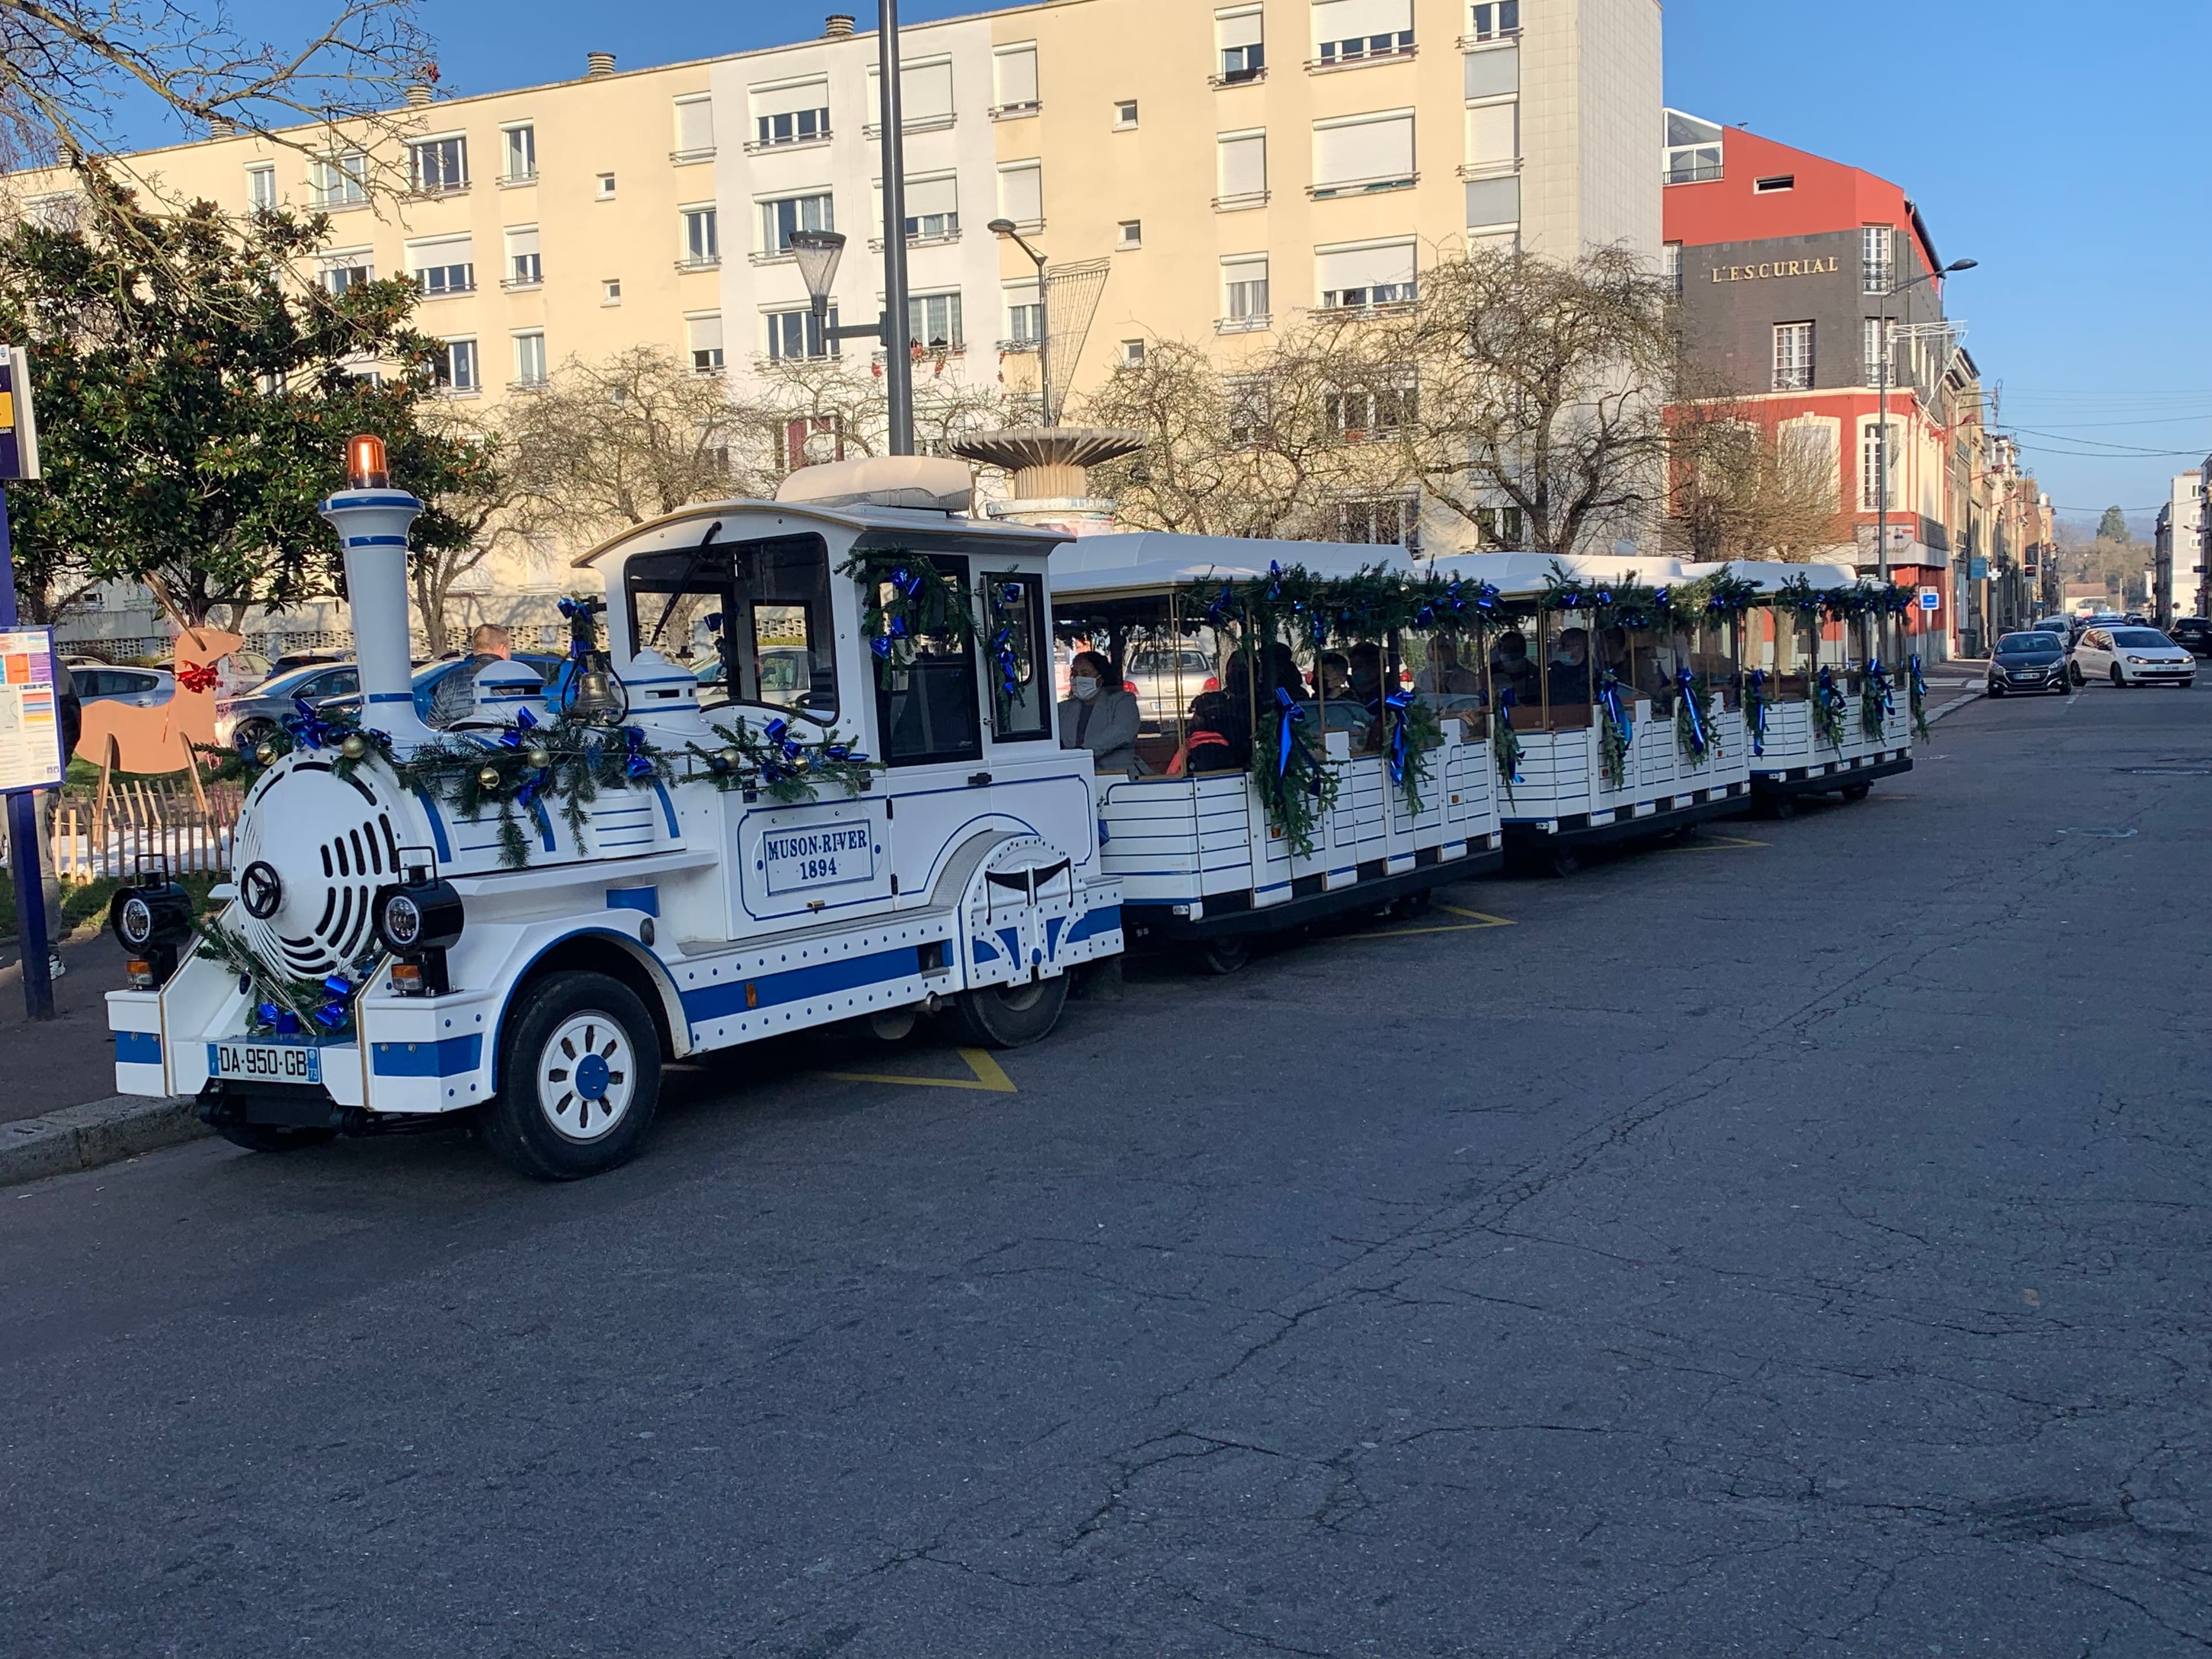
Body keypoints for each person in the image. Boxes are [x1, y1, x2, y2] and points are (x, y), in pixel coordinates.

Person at [1059, 649, 1143, 776]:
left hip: (1115, 777)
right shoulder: (1063, 709)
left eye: (1085, 674)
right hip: (1072, 776)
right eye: (1075, 674)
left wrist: (1081, 753)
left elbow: (1121, 731)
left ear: (1101, 677)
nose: (1079, 678)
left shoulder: (1123, 702)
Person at [429, 623, 514, 728]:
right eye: (509, 648)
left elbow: (433, 726)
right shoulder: (516, 677)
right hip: (503, 742)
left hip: (458, 742)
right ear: (503, 648)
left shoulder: (449, 680)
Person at [1415, 638, 1482, 697]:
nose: (1437, 662)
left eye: (1440, 658)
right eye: (1432, 659)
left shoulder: (1468, 677)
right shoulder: (1422, 678)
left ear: (1450, 653)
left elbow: (1472, 703)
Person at [1490, 631, 1539, 707]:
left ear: (1523, 651)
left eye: (1514, 649)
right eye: (1504, 649)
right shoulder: (1490, 672)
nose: (1508, 653)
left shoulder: (1535, 674)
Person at [1548, 627, 1593, 705]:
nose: (1560, 650)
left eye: (1564, 645)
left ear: (1579, 648)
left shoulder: (1593, 673)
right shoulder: (1555, 671)